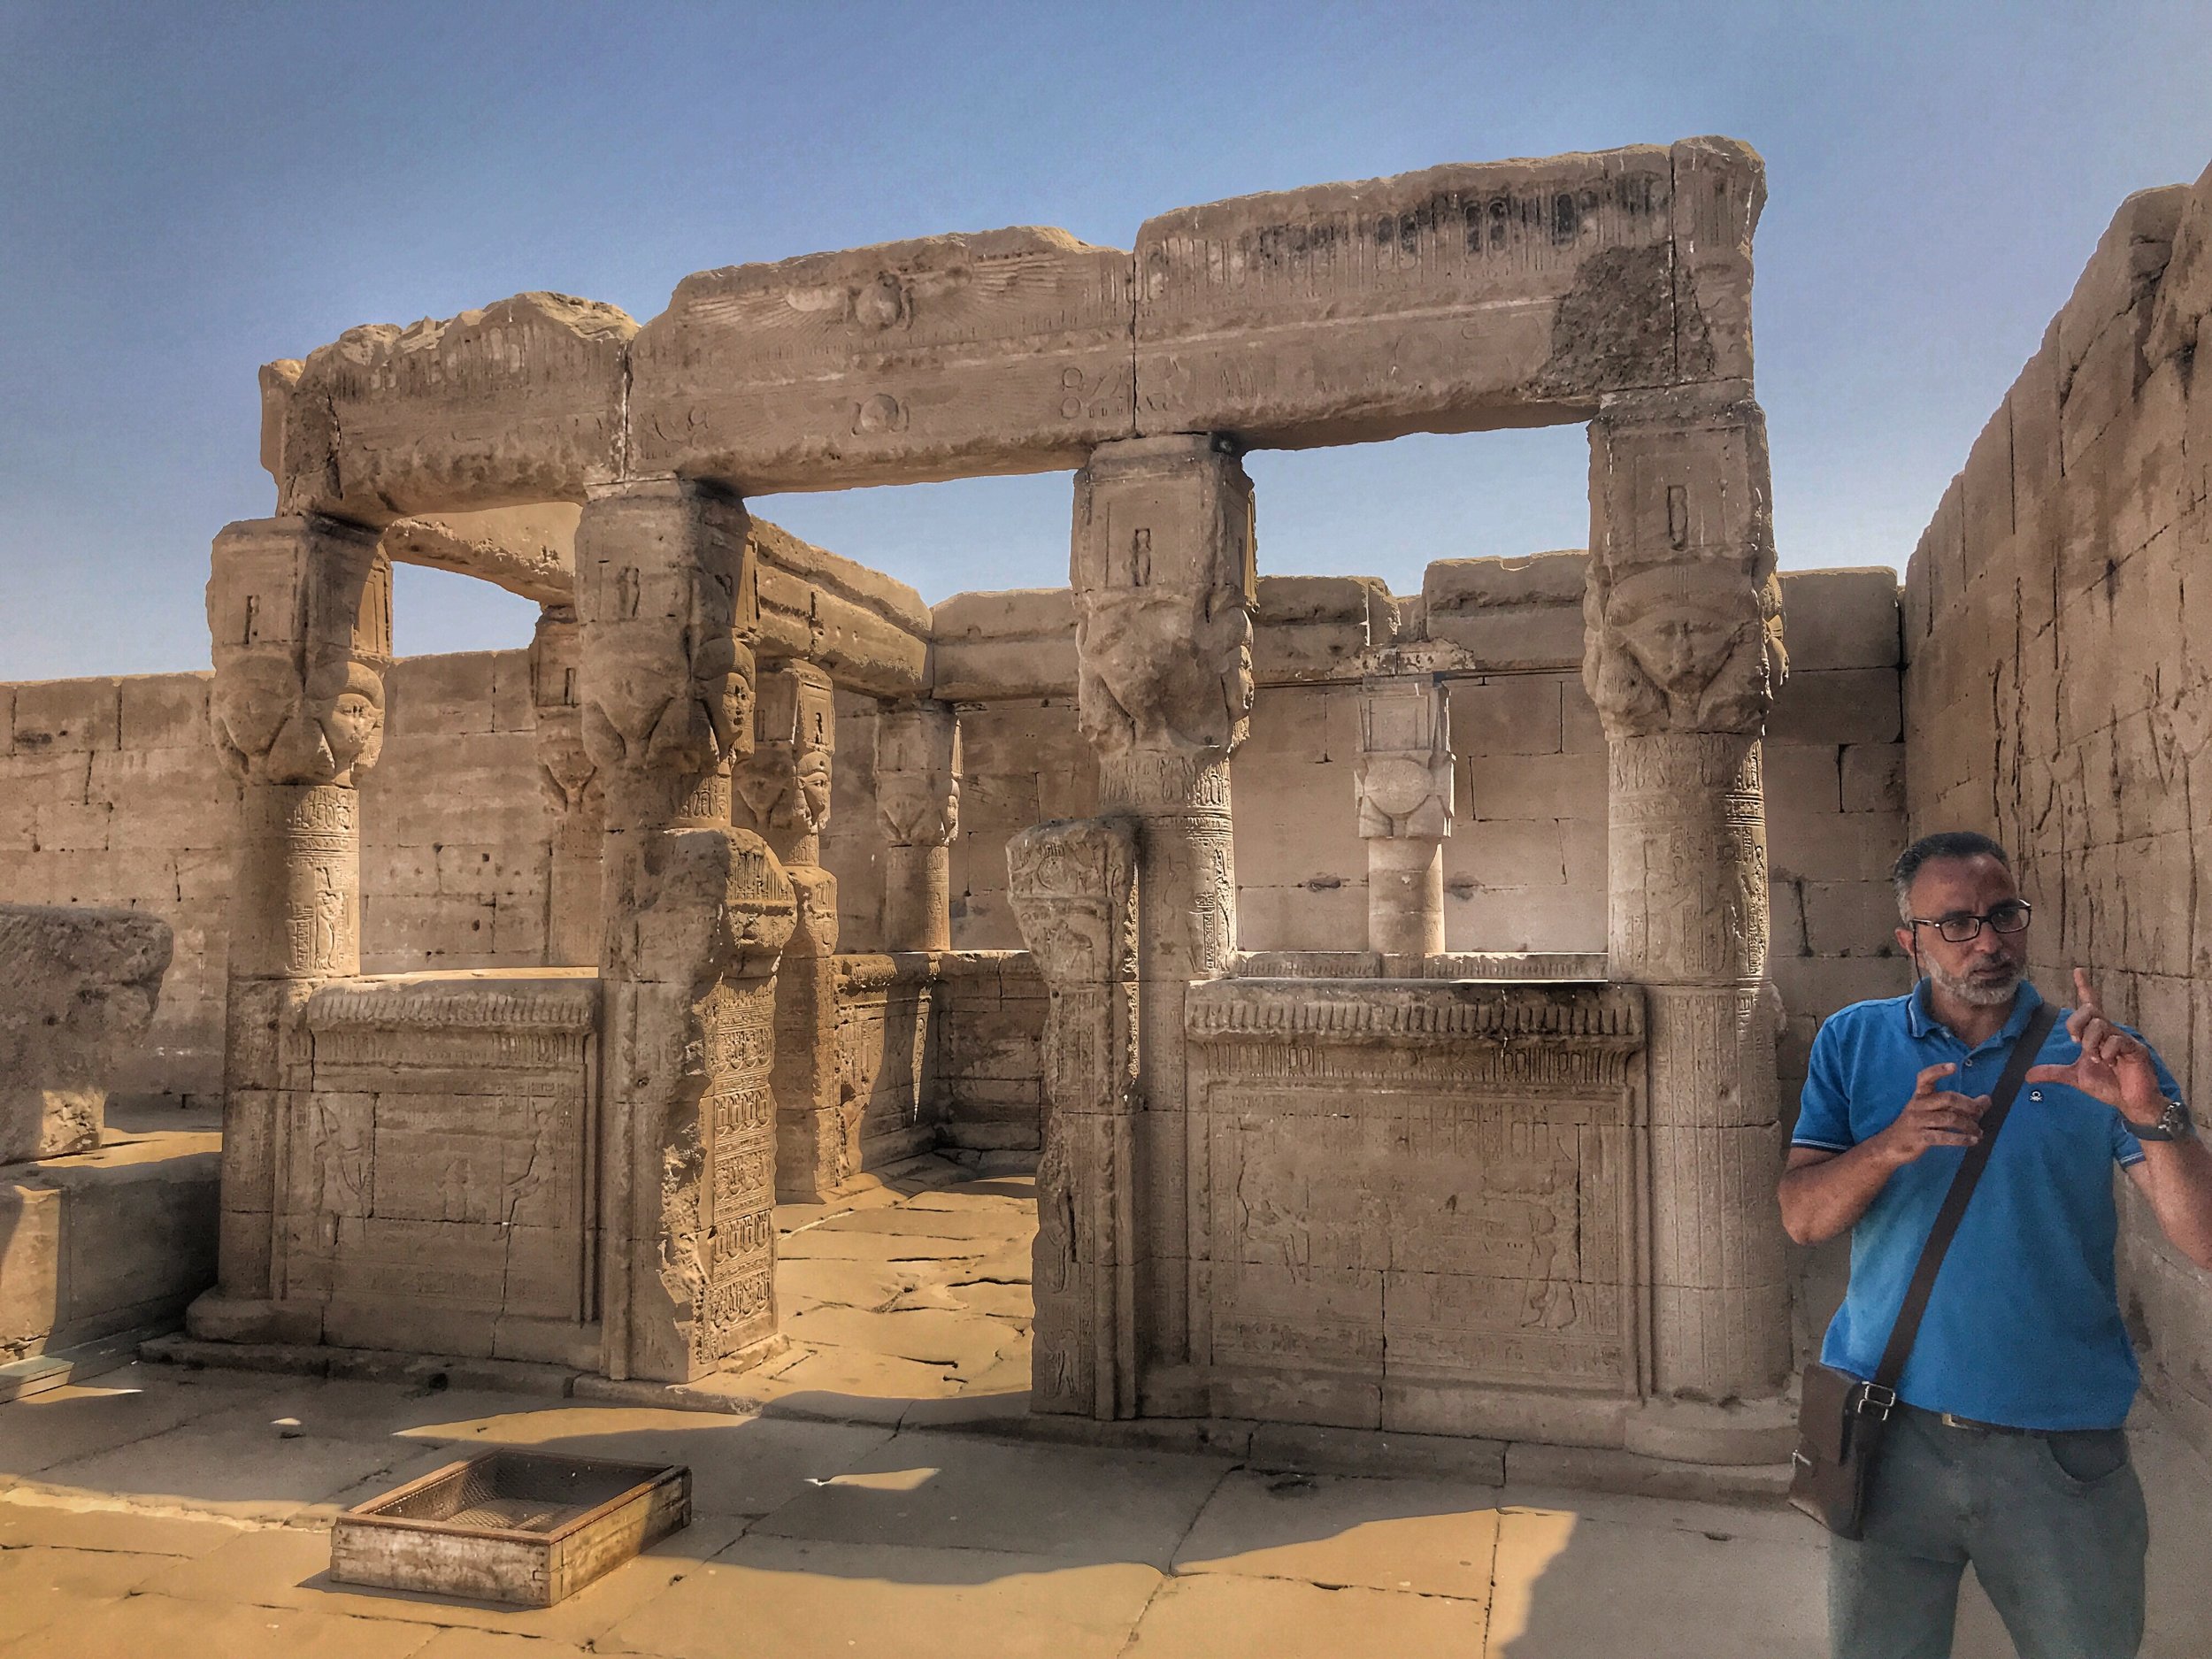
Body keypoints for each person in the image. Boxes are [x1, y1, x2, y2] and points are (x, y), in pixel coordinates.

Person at [1778, 830, 2212, 1659]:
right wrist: (1891, 1145)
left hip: (2059, 1453)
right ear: (1909, 939)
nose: (1989, 939)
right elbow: (1804, 1217)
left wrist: (2153, 1116)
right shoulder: (1853, 1041)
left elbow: (2203, 1239)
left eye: (2004, 914)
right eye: (1957, 922)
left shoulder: (2097, 1057)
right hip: (1885, 1432)